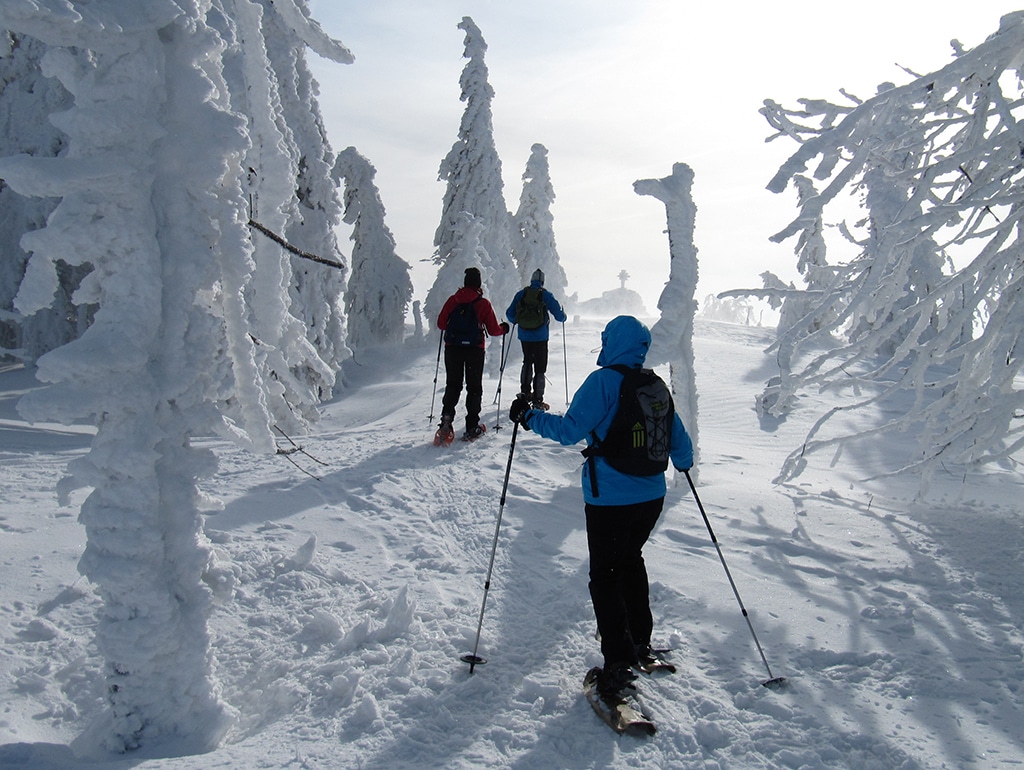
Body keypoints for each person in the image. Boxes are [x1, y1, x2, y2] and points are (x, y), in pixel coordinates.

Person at [508, 315, 693, 701]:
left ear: (614, 343)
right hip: (651, 497)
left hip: (610, 499)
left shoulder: (603, 382)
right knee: (630, 561)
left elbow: (569, 430)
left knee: (606, 576)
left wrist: (528, 416)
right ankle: (639, 642)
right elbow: (680, 441)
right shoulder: (654, 384)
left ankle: (616, 667)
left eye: (605, 339)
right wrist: (685, 464)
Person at [435, 267, 509, 443]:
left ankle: (446, 421)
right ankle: (472, 427)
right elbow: (493, 329)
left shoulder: (453, 301)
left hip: (452, 348)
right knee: (474, 388)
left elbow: (441, 324)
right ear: (478, 283)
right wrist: (503, 328)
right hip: (475, 350)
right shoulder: (483, 303)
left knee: (453, 385)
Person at [504, 269, 567, 410]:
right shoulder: (545, 295)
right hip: (541, 336)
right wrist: (564, 316)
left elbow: (510, 314)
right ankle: (538, 399)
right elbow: (559, 315)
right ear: (542, 281)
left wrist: (519, 320)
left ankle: (525, 393)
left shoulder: (522, 294)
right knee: (540, 367)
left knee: (527, 361)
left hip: (524, 335)